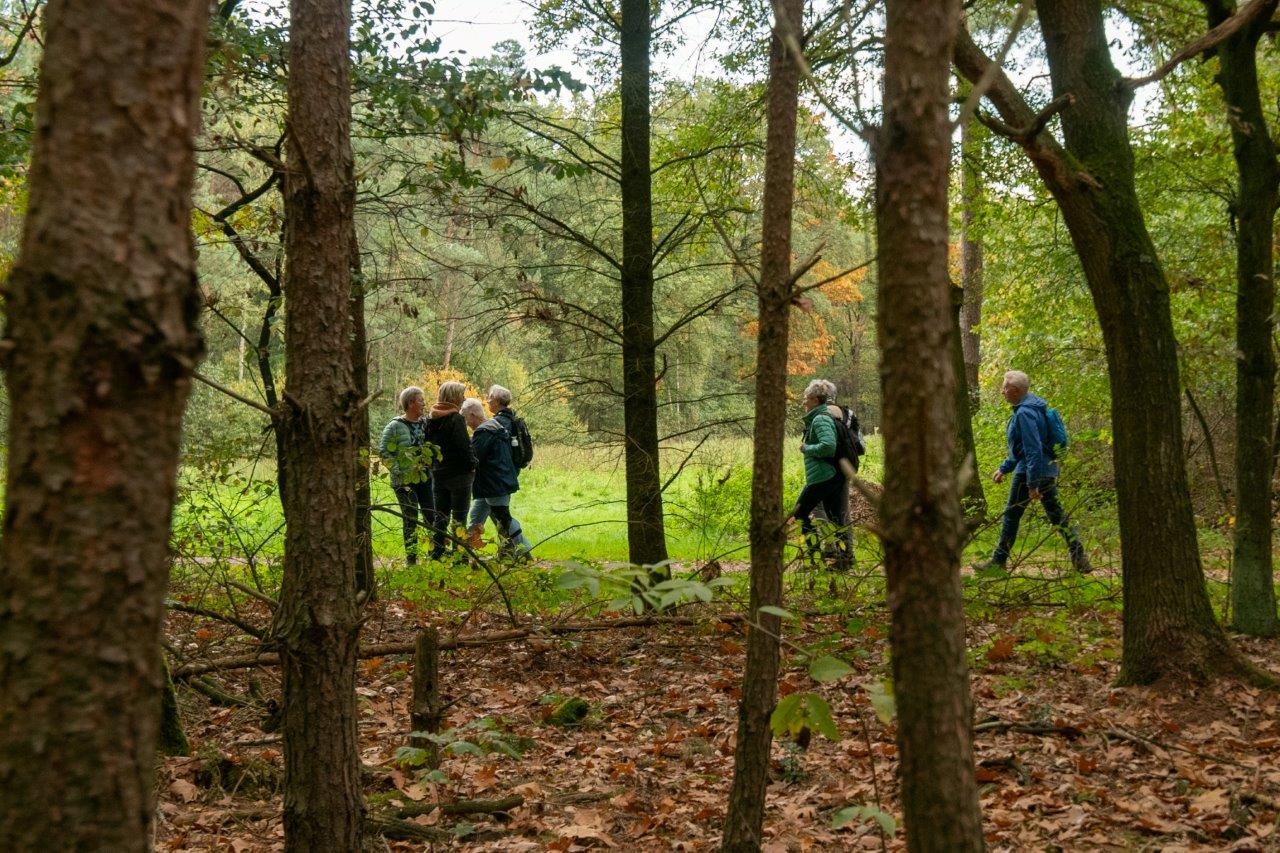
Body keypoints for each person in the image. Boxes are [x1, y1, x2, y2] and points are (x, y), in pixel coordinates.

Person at [974, 370, 1092, 574]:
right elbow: (1022, 449)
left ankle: (998, 561)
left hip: (1030, 473)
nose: (1002, 391)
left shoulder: (1024, 413)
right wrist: (1004, 468)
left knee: (1011, 515)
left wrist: (1032, 484)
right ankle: (1080, 558)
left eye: (1005, 387)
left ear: (1016, 390)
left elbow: (1033, 450)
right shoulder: (1034, 407)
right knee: (1057, 515)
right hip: (1046, 469)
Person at [789, 379, 850, 567]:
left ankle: (814, 560)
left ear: (815, 400)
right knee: (835, 518)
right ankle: (842, 560)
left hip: (822, 477)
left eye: (806, 399)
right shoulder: (820, 417)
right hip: (829, 476)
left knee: (800, 512)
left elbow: (828, 446)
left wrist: (806, 448)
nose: (804, 402)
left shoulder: (820, 418)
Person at [462, 397, 532, 555]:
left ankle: (525, 551)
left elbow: (473, 459)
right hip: (495, 483)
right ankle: (465, 553)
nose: (466, 423)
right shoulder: (496, 428)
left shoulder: (484, 433)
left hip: (494, 484)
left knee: (504, 518)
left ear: (473, 415)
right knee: (476, 516)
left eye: (466, 418)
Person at [379, 386, 433, 566]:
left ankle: (434, 554)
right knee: (411, 519)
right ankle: (411, 559)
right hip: (404, 482)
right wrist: (399, 471)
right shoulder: (394, 426)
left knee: (431, 516)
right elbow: (385, 453)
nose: (423, 403)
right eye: (420, 400)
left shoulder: (426, 423)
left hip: (425, 479)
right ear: (410, 403)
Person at [425, 380, 475, 560]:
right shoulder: (456, 419)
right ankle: (459, 557)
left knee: (440, 517)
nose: (464, 398)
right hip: (459, 476)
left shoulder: (431, 419)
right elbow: (464, 448)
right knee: (459, 518)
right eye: (462, 394)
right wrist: (473, 465)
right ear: (454, 397)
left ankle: (435, 553)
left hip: (438, 475)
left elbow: (428, 448)